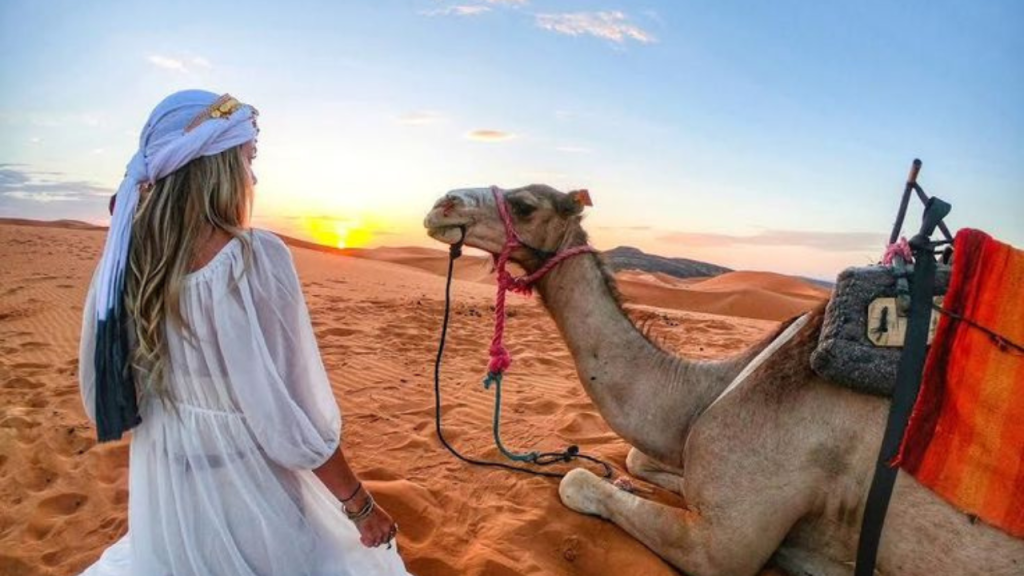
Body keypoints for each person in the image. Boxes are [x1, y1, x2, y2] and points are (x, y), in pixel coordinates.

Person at [78, 90, 409, 576]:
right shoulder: (252, 259)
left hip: (169, 493)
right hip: (250, 492)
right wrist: (358, 505)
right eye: (248, 158)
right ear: (215, 166)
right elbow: (287, 413)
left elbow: (104, 392)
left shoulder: (126, 256)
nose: (253, 176)